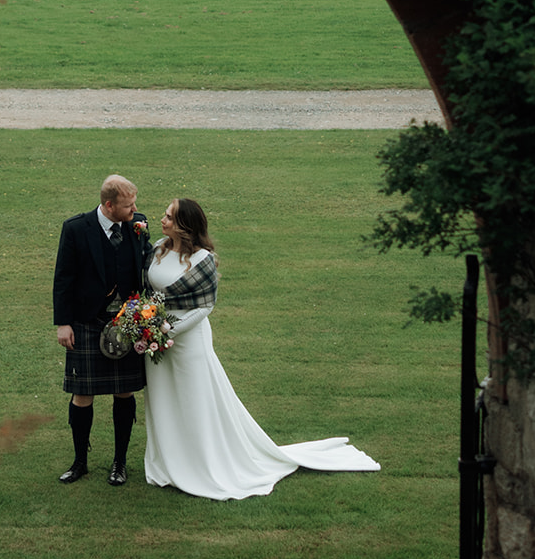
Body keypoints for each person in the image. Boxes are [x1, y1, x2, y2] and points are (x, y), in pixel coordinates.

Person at [143, 198, 380, 499]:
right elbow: (150, 293)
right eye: (164, 215)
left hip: (186, 339)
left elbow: (205, 307)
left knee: (193, 400)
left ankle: (201, 463)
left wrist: (168, 331)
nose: (162, 220)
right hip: (155, 340)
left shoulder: (203, 259)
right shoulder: (158, 248)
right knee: (163, 399)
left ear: (185, 226)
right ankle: (167, 462)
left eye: (169, 217)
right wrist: (148, 326)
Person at [53, 174, 150, 485]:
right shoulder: (76, 229)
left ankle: (119, 464)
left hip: (127, 322)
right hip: (86, 322)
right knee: (82, 394)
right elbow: (64, 277)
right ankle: (80, 461)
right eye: (128, 205)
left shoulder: (138, 225)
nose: (135, 209)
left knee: (125, 392)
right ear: (109, 205)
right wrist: (63, 323)